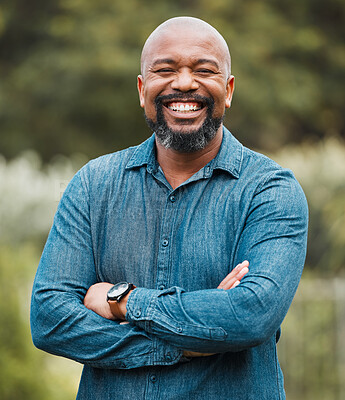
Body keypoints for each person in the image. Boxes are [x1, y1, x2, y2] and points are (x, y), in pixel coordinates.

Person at [30, 16, 308, 399]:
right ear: (143, 90)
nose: (183, 83)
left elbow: (249, 315)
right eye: (165, 70)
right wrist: (182, 345)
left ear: (228, 90)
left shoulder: (270, 190)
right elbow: (50, 319)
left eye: (203, 70)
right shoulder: (95, 184)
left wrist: (122, 301)